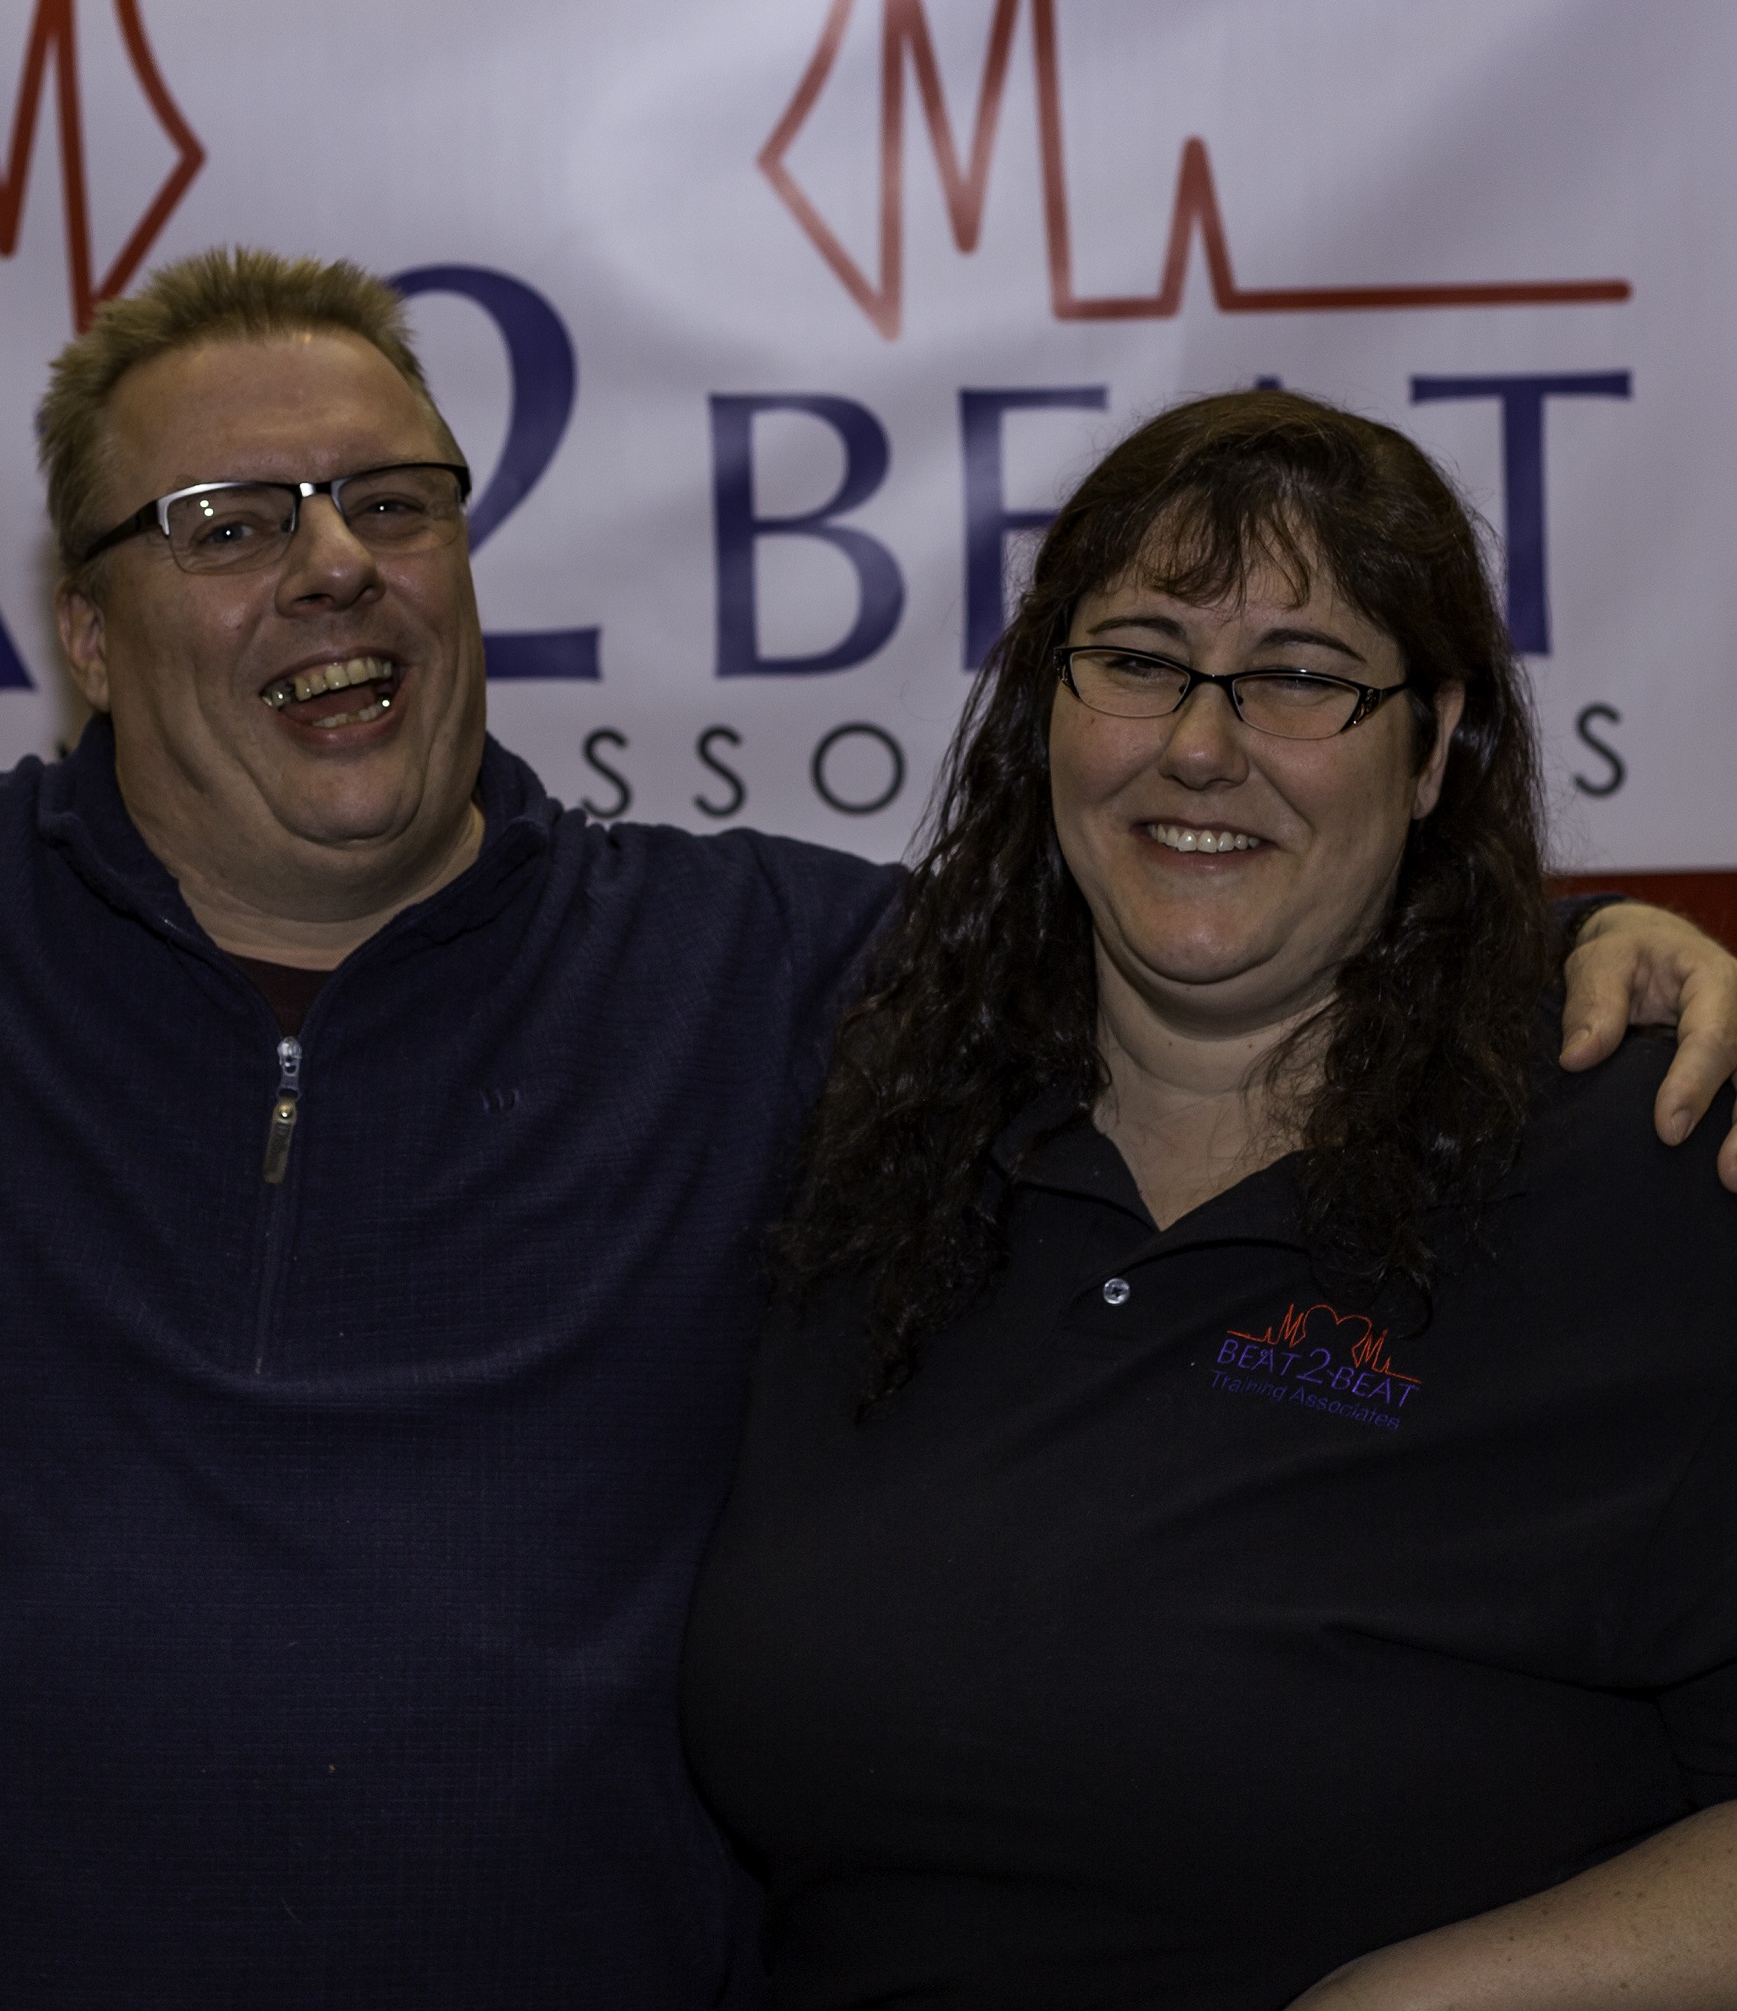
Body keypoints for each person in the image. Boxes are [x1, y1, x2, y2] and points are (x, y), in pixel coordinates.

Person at [0, 260, 1730, 2008]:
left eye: (387, 497)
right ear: (86, 630)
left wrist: (1584, 952)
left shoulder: (774, 966)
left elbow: (1208, 900)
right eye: (226, 519)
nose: (328, 562)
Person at [682, 392, 1737, 2008]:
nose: (1198, 742)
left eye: (1302, 675)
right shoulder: (869, 1142)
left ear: (1434, 744)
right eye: (1140, 657)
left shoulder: (1651, 1170)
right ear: (1046, 706)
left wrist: (1414, 2002)